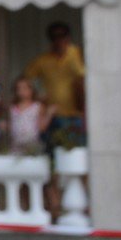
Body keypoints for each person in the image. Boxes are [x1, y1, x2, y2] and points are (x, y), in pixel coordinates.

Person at [23, 21, 86, 149]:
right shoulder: (43, 60)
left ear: (68, 37)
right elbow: (26, 78)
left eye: (62, 36)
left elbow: (85, 76)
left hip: (75, 115)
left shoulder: (77, 54)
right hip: (52, 116)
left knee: (75, 155)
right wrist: (39, 95)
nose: (59, 40)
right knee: (52, 153)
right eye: (54, 37)